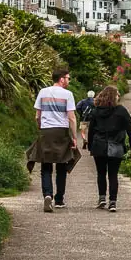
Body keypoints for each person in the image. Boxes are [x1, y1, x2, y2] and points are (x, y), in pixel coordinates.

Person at [29, 67, 81, 212]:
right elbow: (71, 117)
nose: (69, 81)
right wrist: (74, 136)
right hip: (61, 132)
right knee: (62, 166)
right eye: (68, 78)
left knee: (46, 166)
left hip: (46, 131)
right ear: (61, 79)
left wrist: (41, 127)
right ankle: (59, 200)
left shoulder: (43, 92)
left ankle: (47, 195)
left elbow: (37, 116)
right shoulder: (68, 95)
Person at [85, 85, 131, 212]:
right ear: (114, 97)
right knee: (113, 175)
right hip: (116, 145)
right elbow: (130, 129)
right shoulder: (121, 110)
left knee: (101, 173)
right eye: (117, 94)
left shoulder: (97, 111)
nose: (119, 96)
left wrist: (91, 145)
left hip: (99, 145)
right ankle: (113, 202)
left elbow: (91, 130)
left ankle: (102, 198)